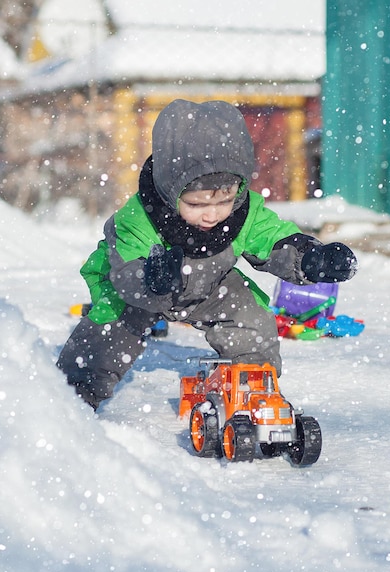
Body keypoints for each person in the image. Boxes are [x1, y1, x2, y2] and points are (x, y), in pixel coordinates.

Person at [57, 99, 358, 410]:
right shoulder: (140, 218)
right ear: (169, 190)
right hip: (139, 290)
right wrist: (149, 280)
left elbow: (273, 237)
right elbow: (125, 269)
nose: (212, 215)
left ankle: (251, 383)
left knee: (249, 313)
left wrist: (310, 257)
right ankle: (74, 394)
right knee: (110, 328)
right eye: (197, 204)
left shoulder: (243, 212)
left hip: (207, 286)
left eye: (224, 200)